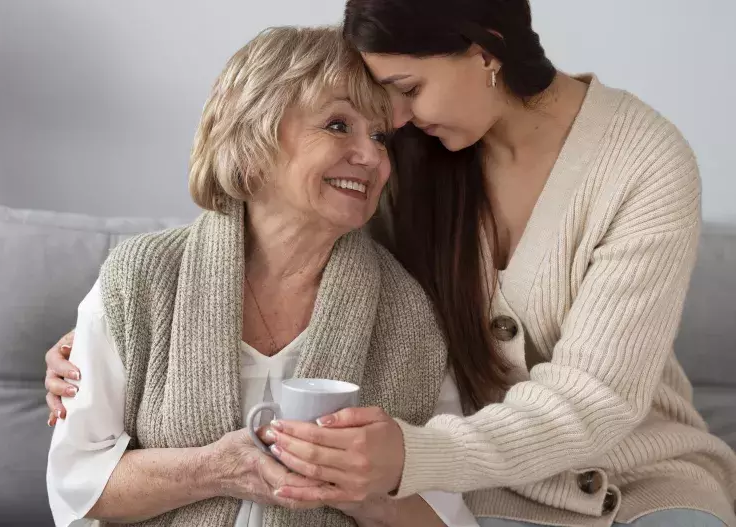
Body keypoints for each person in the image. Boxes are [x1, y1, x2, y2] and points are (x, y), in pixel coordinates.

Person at [46, 2, 736, 526]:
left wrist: (409, 456)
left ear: (484, 49)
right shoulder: (405, 151)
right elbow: (271, 203)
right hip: (490, 497)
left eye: (405, 88)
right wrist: (110, 333)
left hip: (640, 481)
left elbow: (599, 397)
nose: (393, 122)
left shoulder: (644, 161)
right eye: (377, 105)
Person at [46, 26, 476, 527]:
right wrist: (217, 469)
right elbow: (78, 485)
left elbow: (446, 514)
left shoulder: (406, 312)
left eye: (380, 136)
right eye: (338, 125)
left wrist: (357, 493)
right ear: (256, 136)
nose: (372, 156)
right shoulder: (142, 280)